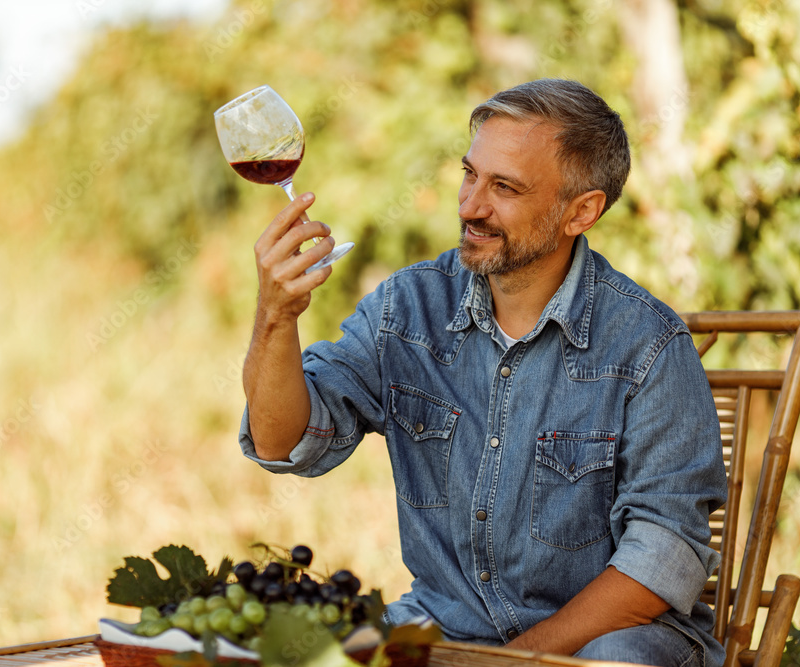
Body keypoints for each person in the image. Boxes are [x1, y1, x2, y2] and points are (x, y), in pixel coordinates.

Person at [238, 78, 727, 667]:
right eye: (470, 174)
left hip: (604, 642)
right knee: (292, 652)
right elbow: (284, 440)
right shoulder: (407, 309)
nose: (470, 206)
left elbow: (660, 560)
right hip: (443, 629)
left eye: (505, 188)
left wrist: (512, 663)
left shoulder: (649, 346)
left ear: (582, 211)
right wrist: (275, 317)